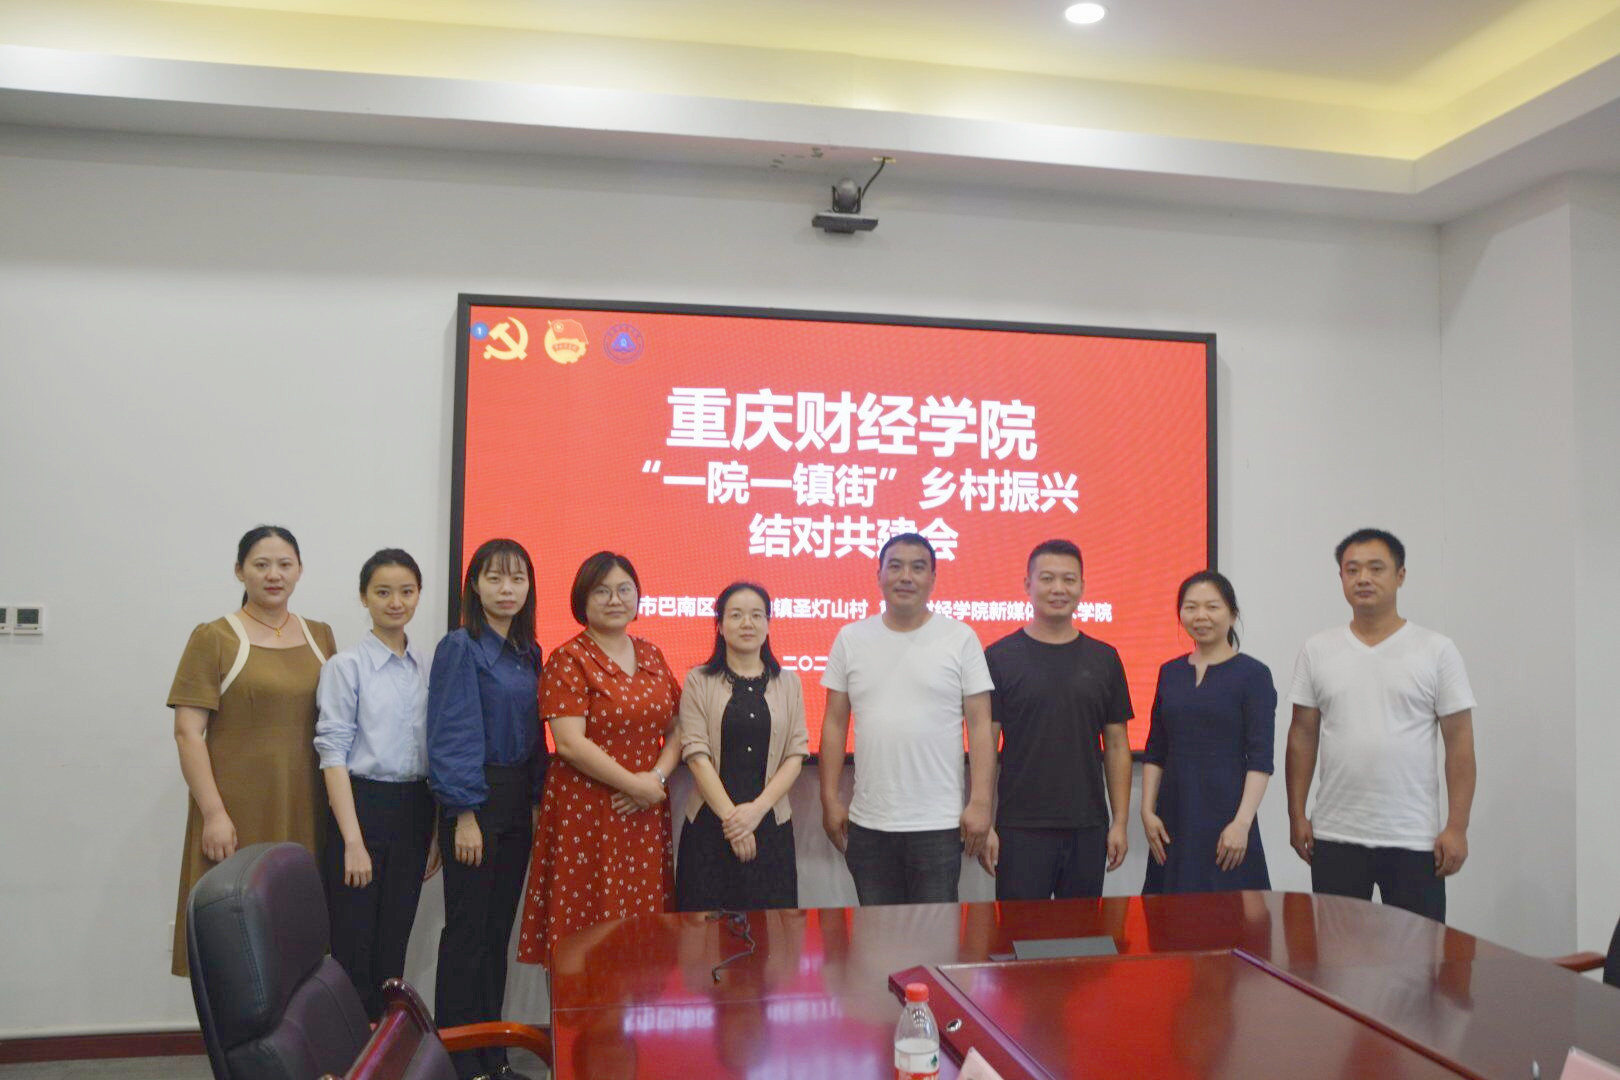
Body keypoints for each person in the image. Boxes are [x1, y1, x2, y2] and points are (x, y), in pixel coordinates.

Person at [167, 525, 336, 977]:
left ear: (299, 570)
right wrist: (213, 814)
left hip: (306, 809)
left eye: (284, 564)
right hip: (237, 813)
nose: (273, 575)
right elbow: (188, 733)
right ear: (239, 571)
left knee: (297, 937)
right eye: (261, 565)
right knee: (234, 939)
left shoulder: (321, 636)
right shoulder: (214, 637)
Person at [1286, 528, 1476, 922]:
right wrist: (1297, 814)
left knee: (1418, 954)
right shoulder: (1317, 649)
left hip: (1413, 837)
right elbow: (1302, 735)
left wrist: (1457, 827)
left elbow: (1459, 742)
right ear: (1341, 577)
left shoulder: (1436, 650)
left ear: (1400, 575)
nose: (1363, 579)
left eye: (1376, 568)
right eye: (1352, 569)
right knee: (1336, 953)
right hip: (1335, 833)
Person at [517, 551, 681, 964]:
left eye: (624, 590)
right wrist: (635, 785)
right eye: (602, 591)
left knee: (641, 932)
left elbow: (679, 727)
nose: (615, 599)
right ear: (582, 600)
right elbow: (569, 743)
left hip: (644, 810)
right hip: (587, 810)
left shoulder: (652, 655)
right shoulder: (568, 658)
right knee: (583, 932)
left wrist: (656, 780)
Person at [818, 532, 996, 905]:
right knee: (876, 934)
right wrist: (829, 798)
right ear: (879, 575)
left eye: (917, 568)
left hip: (939, 824)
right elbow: (834, 724)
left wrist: (981, 802)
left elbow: (981, 727)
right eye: (895, 566)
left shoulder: (960, 638)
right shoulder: (851, 638)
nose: (906, 577)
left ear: (933, 578)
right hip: (869, 823)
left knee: (935, 933)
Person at [427, 538, 545, 1080]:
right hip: (475, 800)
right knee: (466, 936)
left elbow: (536, 738)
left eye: (517, 578)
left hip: (516, 801)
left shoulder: (528, 652)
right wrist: (464, 814)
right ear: (474, 585)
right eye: (494, 578)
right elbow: (452, 733)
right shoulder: (461, 647)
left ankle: (492, 1057)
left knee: (496, 935)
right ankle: (456, 1060)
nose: (506, 589)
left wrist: (538, 802)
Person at [313, 548, 440, 1021]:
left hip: (415, 807)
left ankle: (384, 1041)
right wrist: (353, 841)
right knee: (353, 940)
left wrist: (435, 829)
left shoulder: (427, 666)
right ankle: (350, 1047)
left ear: (419, 595)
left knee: (395, 938)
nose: (395, 602)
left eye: (406, 591)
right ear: (364, 597)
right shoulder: (345, 666)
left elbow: (435, 750)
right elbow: (332, 756)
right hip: (361, 805)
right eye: (383, 592)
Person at [982, 539, 1132, 899]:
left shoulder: (1105, 658)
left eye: (1069, 579)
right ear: (1028, 585)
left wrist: (1120, 822)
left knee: (1081, 930)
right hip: (1019, 825)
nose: (1058, 589)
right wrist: (985, 820)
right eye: (1047, 578)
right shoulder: (999, 656)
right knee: (1018, 930)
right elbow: (985, 742)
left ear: (1082, 587)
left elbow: (1116, 745)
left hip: (1087, 824)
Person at [674, 581, 809, 912]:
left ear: (768, 624)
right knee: (703, 934)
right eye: (736, 615)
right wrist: (735, 823)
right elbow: (696, 755)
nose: (747, 623)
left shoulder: (789, 682)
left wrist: (756, 812)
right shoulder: (698, 680)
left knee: (772, 934)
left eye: (756, 615)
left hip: (770, 825)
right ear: (720, 626)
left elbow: (795, 755)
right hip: (710, 826)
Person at [1141, 570, 1276, 894]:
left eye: (1212, 607)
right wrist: (1147, 811)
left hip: (1227, 816)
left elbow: (1260, 758)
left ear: (1233, 614)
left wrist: (1242, 823)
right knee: (1170, 912)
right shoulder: (1170, 672)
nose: (1200, 616)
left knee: (1228, 914)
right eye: (1191, 607)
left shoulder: (1253, 674)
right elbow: (1156, 749)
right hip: (1174, 815)